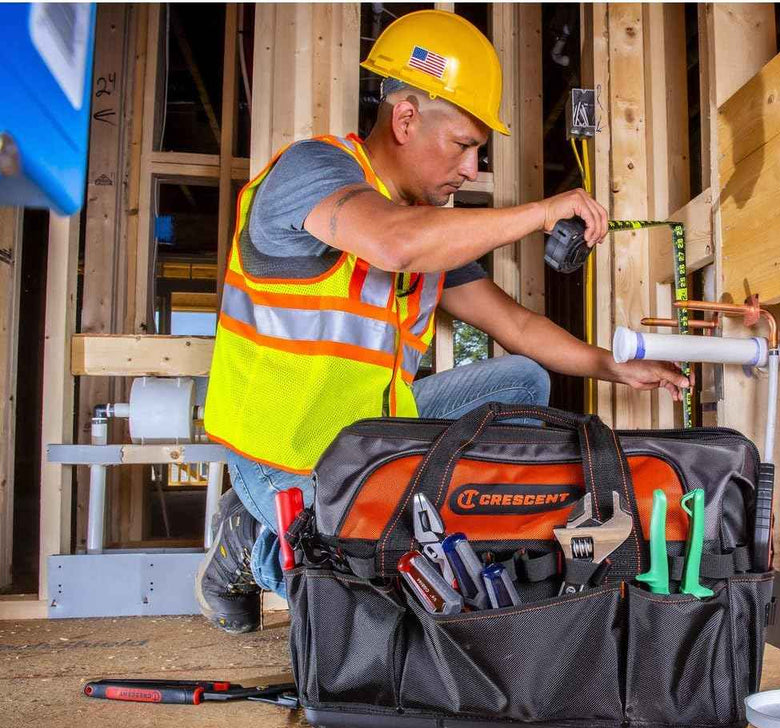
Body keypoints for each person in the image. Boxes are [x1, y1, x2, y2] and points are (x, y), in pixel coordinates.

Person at [195, 9, 689, 633]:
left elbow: (515, 324)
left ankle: (400, 511)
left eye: (480, 152)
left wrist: (611, 365)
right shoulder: (311, 173)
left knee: (519, 383)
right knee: (375, 590)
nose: (472, 170)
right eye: (464, 145)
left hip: (370, 436)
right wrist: (540, 213)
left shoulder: (425, 225)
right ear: (405, 118)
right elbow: (395, 243)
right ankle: (253, 542)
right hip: (280, 453)